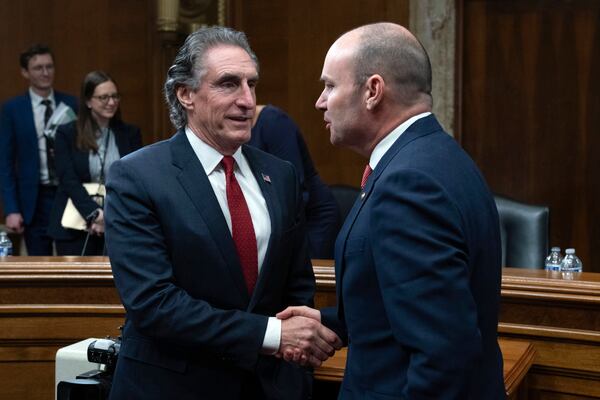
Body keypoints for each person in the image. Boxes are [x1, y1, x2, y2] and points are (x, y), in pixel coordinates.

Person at [104, 26, 341, 400]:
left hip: (269, 388)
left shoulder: (280, 175)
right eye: (229, 84)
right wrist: (272, 335)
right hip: (175, 387)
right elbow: (154, 304)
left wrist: (297, 347)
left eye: (252, 84)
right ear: (185, 94)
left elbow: (297, 287)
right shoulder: (137, 176)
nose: (247, 100)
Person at [278, 22, 505, 399]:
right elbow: (404, 306)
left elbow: (443, 356)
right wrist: (331, 321)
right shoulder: (437, 157)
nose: (320, 101)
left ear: (373, 91)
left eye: (330, 85)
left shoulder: (408, 184)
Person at [47, 71, 142, 255]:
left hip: (117, 222)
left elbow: (133, 180)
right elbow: (68, 180)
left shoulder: (130, 134)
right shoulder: (67, 134)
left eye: (115, 96)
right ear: (89, 101)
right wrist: (95, 214)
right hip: (74, 225)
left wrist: (109, 216)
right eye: (103, 97)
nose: (111, 102)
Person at [0, 44, 77, 255]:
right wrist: (12, 209)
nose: (45, 73)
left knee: (71, 261)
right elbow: (5, 163)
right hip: (34, 198)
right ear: (25, 72)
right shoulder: (12, 109)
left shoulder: (71, 104)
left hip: (67, 193)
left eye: (49, 66)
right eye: (38, 68)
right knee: (38, 262)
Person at [250, 104, 340, 258]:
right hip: (276, 223)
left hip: (312, 221)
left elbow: (296, 191)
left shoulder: (273, 121)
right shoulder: (228, 130)